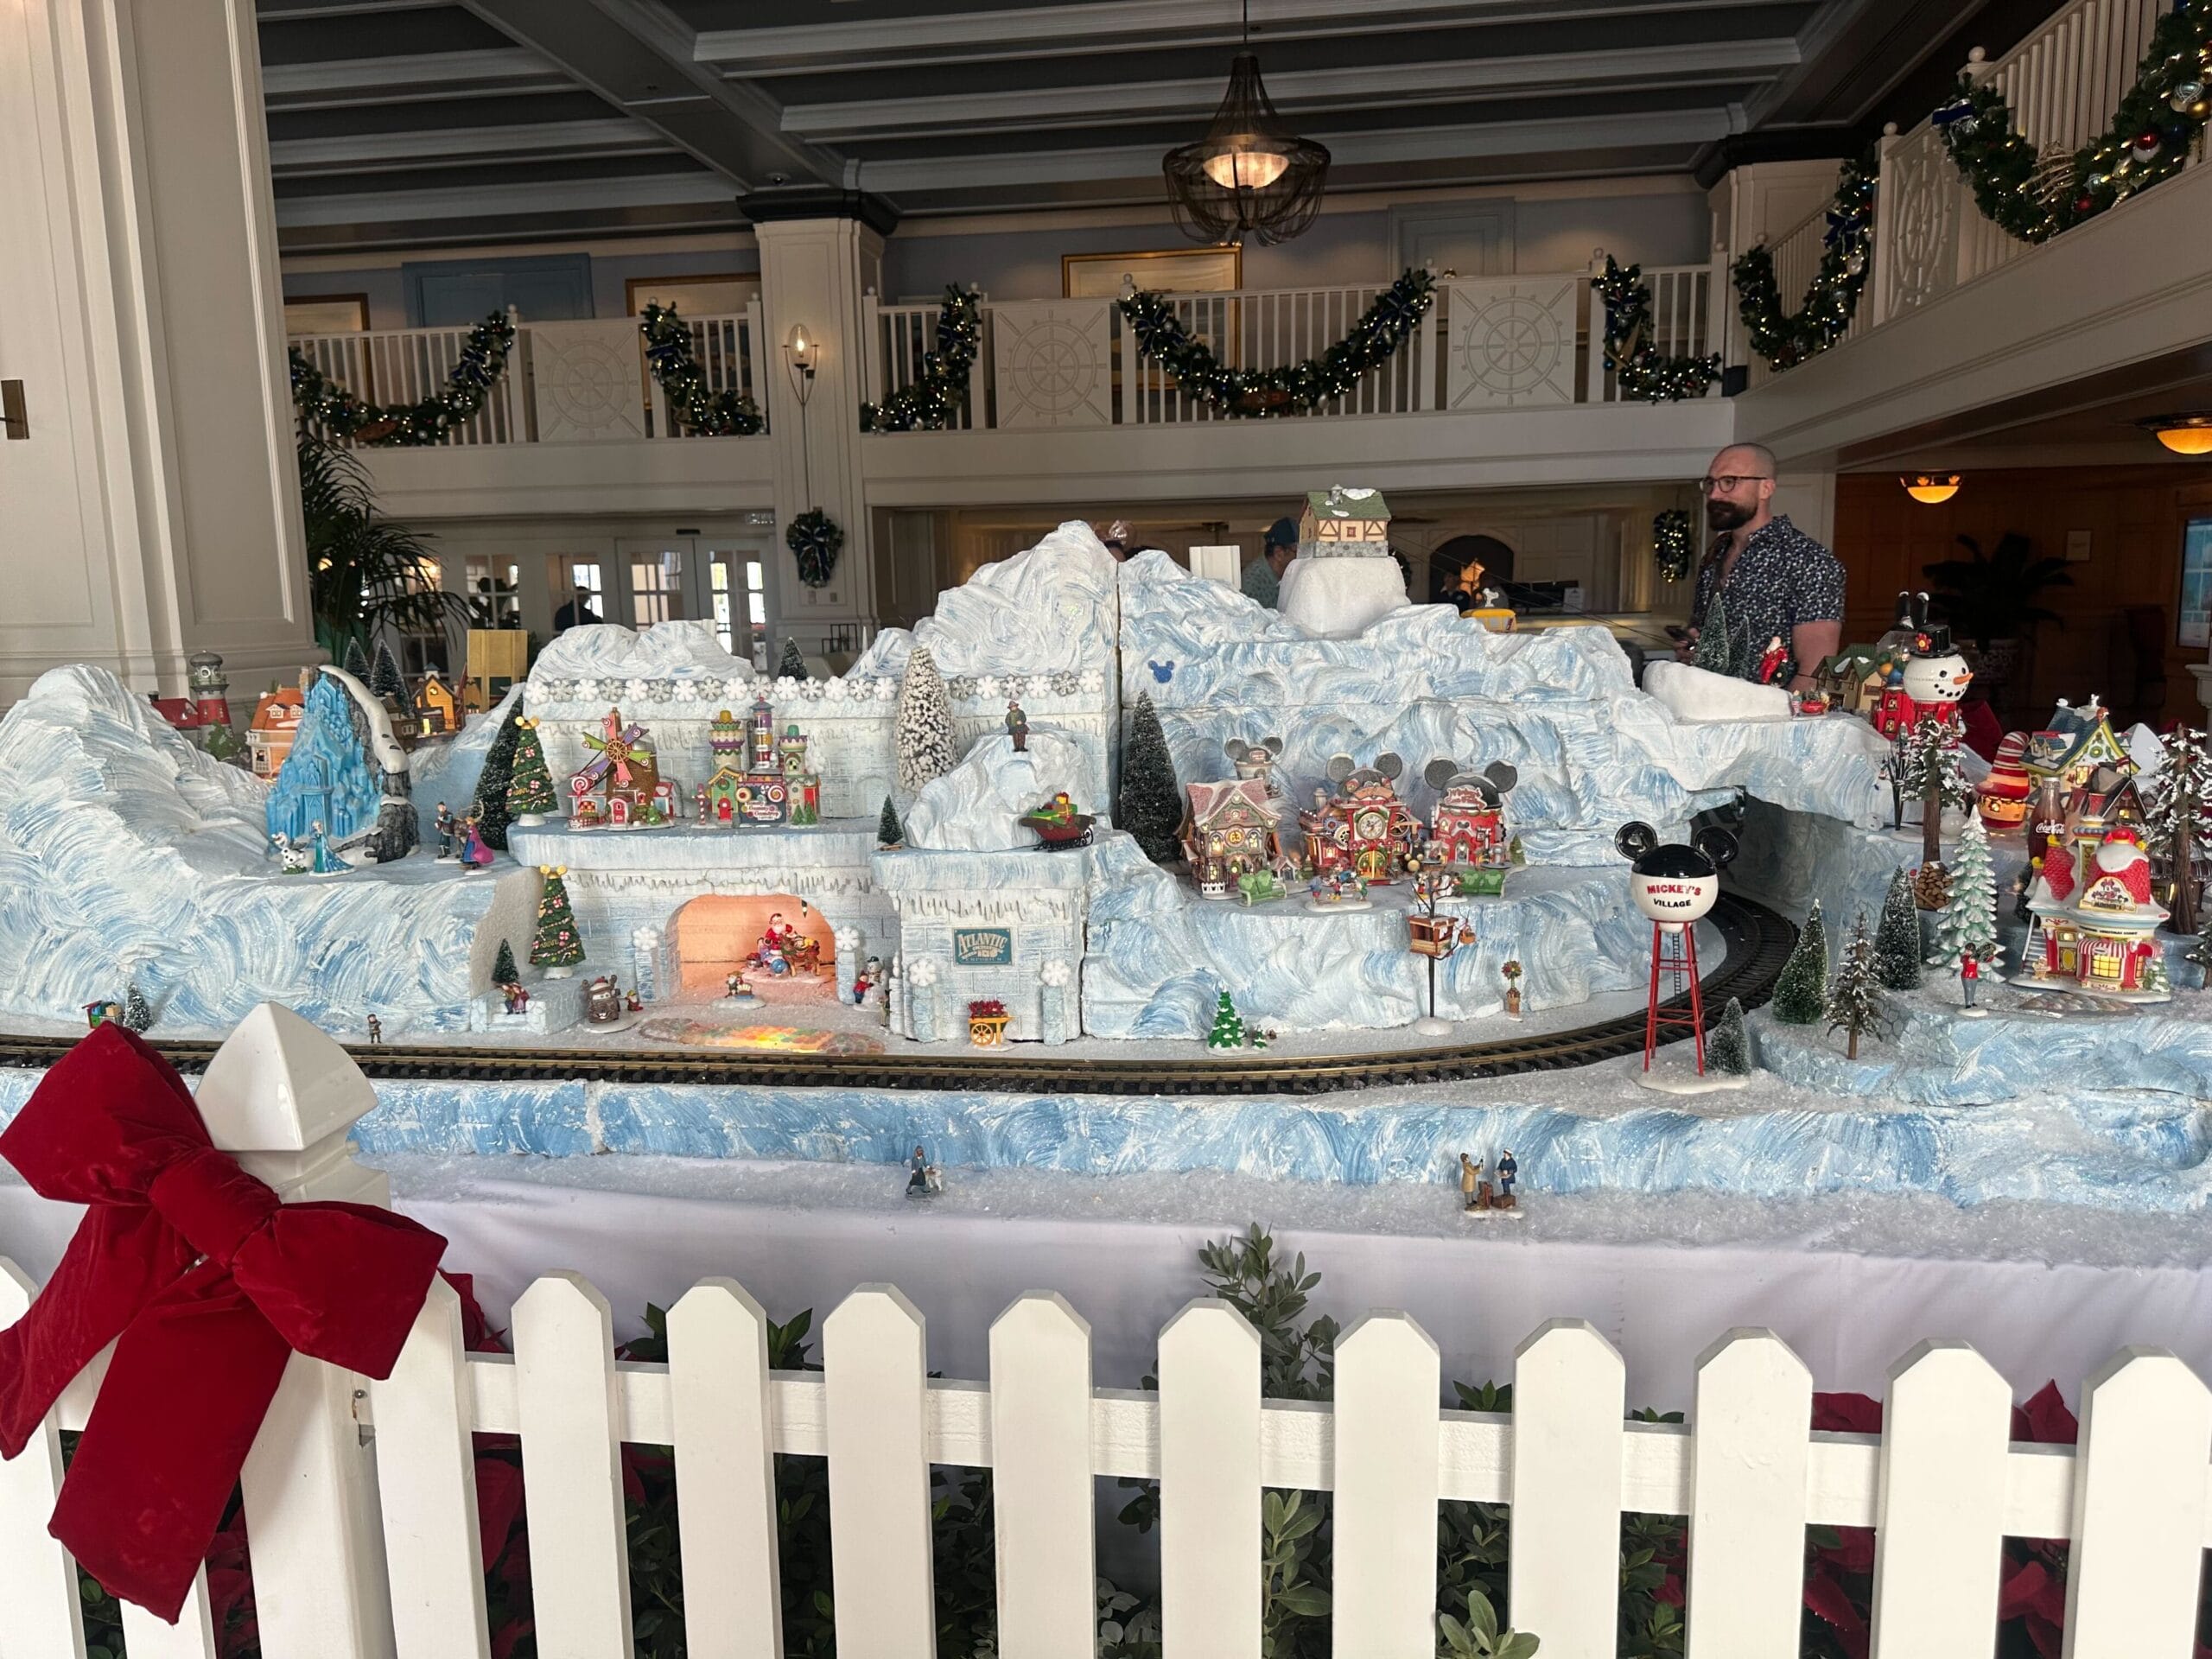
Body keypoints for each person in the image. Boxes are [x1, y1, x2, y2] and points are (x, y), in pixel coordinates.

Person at [1680, 443, 1844, 694]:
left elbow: (1813, 672)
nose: (1714, 495)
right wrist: (1693, 649)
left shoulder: (1808, 560)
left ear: (1766, 488)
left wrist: (1778, 728)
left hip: (1765, 724)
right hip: (1704, 710)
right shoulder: (1715, 556)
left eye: (1729, 482)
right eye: (1711, 483)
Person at [1243, 517, 1298, 607]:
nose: (1303, 558)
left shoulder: (1287, 577)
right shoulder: (1251, 587)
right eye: (1297, 551)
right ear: (1279, 554)